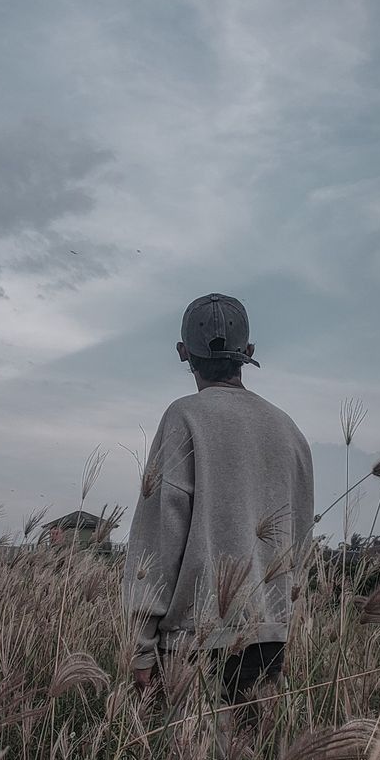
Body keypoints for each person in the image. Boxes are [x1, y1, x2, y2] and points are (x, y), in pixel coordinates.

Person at [123, 293, 314, 704]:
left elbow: (157, 540)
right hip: (268, 640)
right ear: (248, 353)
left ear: (182, 353)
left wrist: (141, 647)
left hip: (193, 644)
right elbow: (299, 543)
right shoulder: (290, 432)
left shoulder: (183, 417)